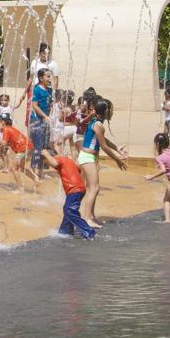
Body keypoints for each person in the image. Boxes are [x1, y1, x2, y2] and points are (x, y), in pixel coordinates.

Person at [78, 97, 128, 229]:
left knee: (91, 188)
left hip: (88, 157)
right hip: (87, 157)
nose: (112, 112)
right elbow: (104, 146)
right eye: (111, 110)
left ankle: (91, 216)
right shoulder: (98, 124)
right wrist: (117, 160)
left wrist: (117, 148)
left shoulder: (96, 122)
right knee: (94, 188)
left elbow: (103, 139)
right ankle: (86, 218)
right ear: (105, 111)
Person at [41, 149, 94, 239]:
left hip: (74, 189)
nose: (49, 165)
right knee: (68, 210)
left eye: (47, 162)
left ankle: (88, 231)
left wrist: (46, 155)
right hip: (80, 188)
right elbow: (78, 169)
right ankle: (65, 231)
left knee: (69, 211)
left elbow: (55, 163)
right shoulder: (67, 160)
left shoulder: (58, 159)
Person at [16, 42, 59, 117]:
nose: (46, 55)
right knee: (31, 112)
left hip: (46, 91)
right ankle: (30, 128)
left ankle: (46, 124)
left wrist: (54, 93)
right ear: (39, 53)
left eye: (47, 53)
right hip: (34, 90)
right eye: (43, 53)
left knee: (45, 110)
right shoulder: (34, 62)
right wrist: (25, 92)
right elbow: (31, 78)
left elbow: (56, 79)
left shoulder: (53, 64)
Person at [0, 114, 37, 192]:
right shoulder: (10, 128)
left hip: (23, 148)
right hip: (28, 147)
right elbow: (10, 143)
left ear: (2, 122)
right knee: (21, 167)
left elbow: (4, 143)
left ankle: (20, 188)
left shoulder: (6, 129)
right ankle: (35, 178)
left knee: (13, 168)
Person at [29, 69, 54, 178]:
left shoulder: (49, 90)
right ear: (41, 78)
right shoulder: (37, 90)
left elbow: (51, 105)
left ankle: (41, 172)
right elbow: (34, 105)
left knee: (45, 146)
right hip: (37, 121)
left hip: (46, 121)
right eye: (48, 76)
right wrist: (45, 116)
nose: (50, 79)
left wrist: (50, 116)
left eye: (50, 76)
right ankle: (33, 170)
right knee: (38, 146)